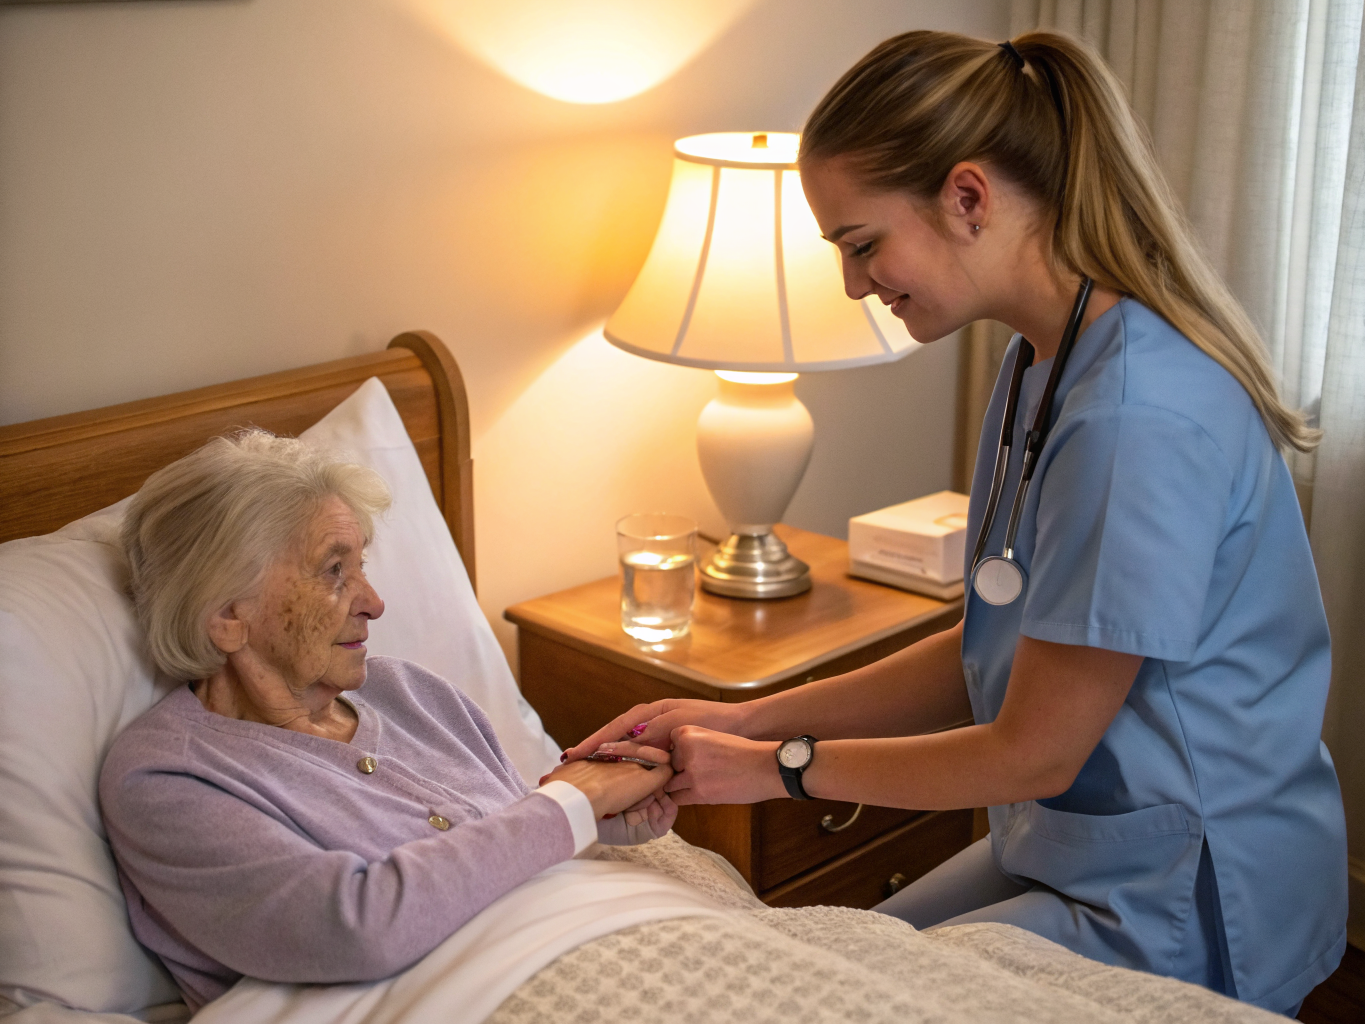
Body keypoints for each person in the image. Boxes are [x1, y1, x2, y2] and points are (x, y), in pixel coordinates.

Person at [566, 29, 1347, 1016]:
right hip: (1080, 843)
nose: (856, 284)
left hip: (1185, 880)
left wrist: (774, 771)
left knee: (837, 996)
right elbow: (994, 644)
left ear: (967, 198)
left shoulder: (1136, 419)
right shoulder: (1039, 365)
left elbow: (1034, 749)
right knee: (820, 965)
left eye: (861, 244)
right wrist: (745, 716)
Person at [99, 430, 675, 1012]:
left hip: (593, 949)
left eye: (361, 566)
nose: (373, 601)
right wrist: (566, 806)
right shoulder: (167, 778)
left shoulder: (411, 692)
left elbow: (494, 847)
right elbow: (354, 929)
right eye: (333, 571)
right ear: (226, 615)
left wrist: (593, 822)